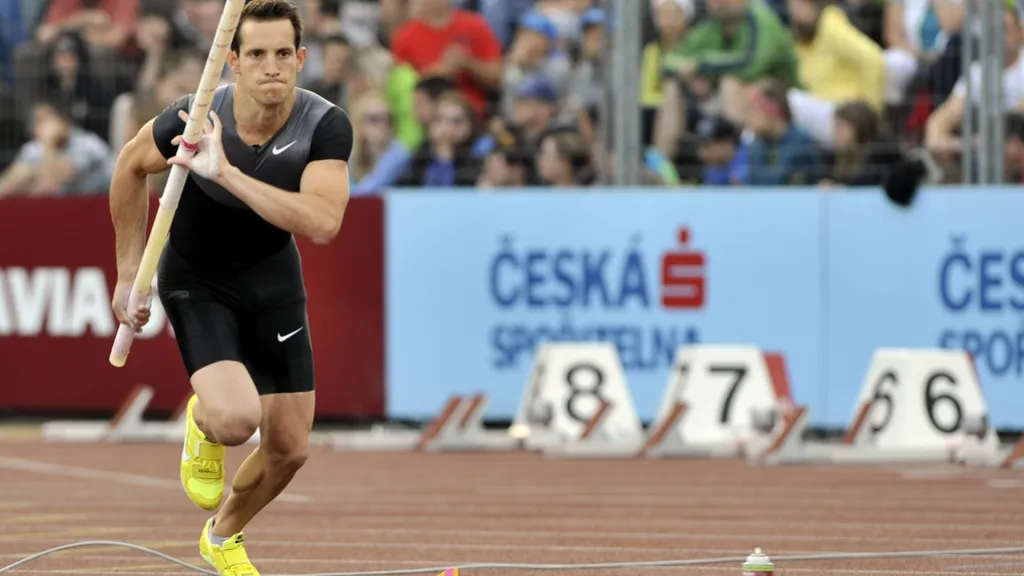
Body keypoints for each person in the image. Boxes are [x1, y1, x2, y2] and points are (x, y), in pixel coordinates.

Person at [107, 1, 353, 575]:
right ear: (234, 62)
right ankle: (203, 422)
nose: (272, 67)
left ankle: (222, 536)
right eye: (258, 55)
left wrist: (227, 174)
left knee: (290, 449)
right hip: (198, 280)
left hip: (273, 280)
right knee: (237, 420)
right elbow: (128, 167)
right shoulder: (194, 118)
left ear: (301, 58)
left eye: (283, 55)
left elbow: (323, 222)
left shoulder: (323, 125)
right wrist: (126, 272)